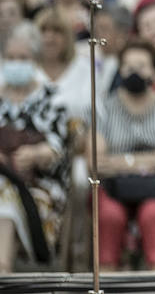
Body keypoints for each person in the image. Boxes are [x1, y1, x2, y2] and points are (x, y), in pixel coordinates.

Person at [95, 40, 155, 271]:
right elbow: (96, 163)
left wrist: (121, 161)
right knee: (109, 215)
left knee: (153, 213)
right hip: (112, 190)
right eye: (128, 66)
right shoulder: (102, 108)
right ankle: (107, 278)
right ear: (119, 70)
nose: (134, 72)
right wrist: (153, 160)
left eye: (142, 66)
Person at [0, 22, 72, 273]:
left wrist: (36, 154)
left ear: (34, 60)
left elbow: (58, 150)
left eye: (22, 58)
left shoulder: (52, 97)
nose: (15, 63)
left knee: (6, 203)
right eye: (10, 58)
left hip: (38, 186)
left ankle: (3, 270)